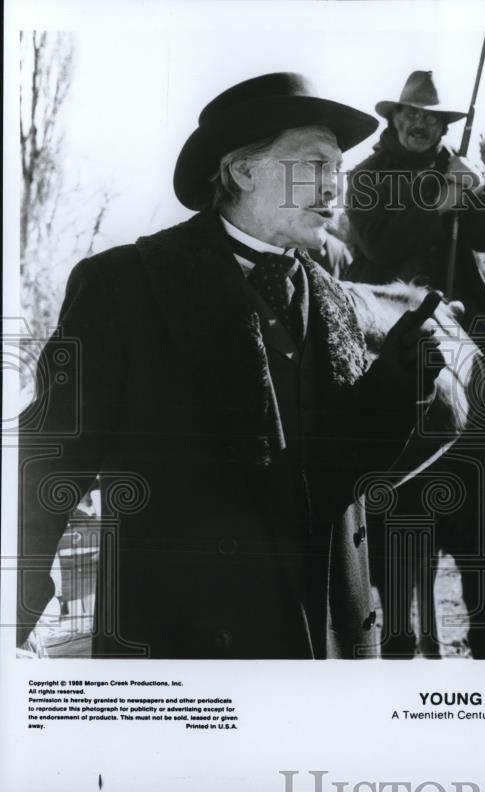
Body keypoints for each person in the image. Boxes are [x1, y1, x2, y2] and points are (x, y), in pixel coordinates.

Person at [16, 72, 445, 659]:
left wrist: (403, 385)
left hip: (329, 650)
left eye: (337, 170)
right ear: (243, 171)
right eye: (314, 165)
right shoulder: (124, 288)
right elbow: (46, 467)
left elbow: (335, 478)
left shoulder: (337, 299)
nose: (333, 189)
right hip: (186, 655)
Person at [345, 70, 485, 326]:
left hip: (459, 302)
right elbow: (378, 247)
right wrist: (436, 208)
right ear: (394, 118)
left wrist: (480, 189)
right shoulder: (366, 175)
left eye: (431, 117)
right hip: (382, 302)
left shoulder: (462, 168)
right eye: (411, 114)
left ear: (443, 127)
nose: (419, 123)